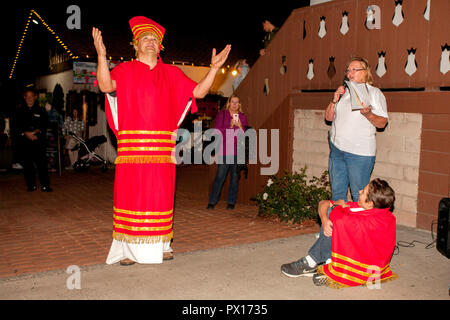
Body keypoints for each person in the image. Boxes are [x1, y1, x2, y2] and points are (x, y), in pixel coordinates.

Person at [93, 16, 231, 266]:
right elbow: (105, 86)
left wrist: (213, 69)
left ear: (160, 48)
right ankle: (128, 249)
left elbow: (198, 92)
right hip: (132, 150)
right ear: (135, 45)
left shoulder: (172, 73)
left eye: (154, 40)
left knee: (160, 197)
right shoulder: (124, 70)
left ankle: (162, 245)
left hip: (161, 150)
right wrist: (102, 57)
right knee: (131, 197)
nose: (150, 42)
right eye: (145, 38)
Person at [281, 178, 397, 288]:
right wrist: (324, 219)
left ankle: (314, 262)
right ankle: (325, 261)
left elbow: (340, 220)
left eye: (363, 192)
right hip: (351, 247)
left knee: (336, 221)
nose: (359, 191)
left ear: (370, 203)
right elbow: (323, 203)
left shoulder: (379, 221)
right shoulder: (364, 209)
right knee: (331, 216)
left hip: (366, 265)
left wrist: (337, 207)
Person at [325, 57, 388, 202]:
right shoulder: (344, 93)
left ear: (365, 72)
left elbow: (382, 123)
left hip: (359, 153)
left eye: (355, 69)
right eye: (348, 70)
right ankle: (338, 224)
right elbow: (328, 118)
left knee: (359, 196)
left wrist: (369, 114)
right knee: (337, 194)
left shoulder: (374, 93)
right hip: (337, 151)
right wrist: (334, 99)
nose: (350, 73)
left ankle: (358, 225)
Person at [207, 94, 248, 210]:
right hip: (225, 150)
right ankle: (212, 201)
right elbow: (217, 131)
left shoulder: (242, 116)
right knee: (220, 176)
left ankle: (231, 202)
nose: (235, 104)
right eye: (233, 102)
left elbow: (245, 135)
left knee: (235, 178)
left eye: (237, 102)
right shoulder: (222, 115)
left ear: (239, 105)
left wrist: (240, 126)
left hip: (237, 151)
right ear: (229, 103)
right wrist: (229, 127)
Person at [16, 87, 52, 192]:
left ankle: (45, 185)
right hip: (25, 141)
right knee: (28, 164)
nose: (29, 98)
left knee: (42, 164)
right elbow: (17, 126)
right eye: (27, 96)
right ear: (24, 97)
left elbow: (45, 124)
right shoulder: (20, 111)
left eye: (31, 96)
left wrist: (37, 132)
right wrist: (25, 133)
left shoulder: (41, 110)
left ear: (35, 97)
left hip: (38, 140)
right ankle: (31, 185)